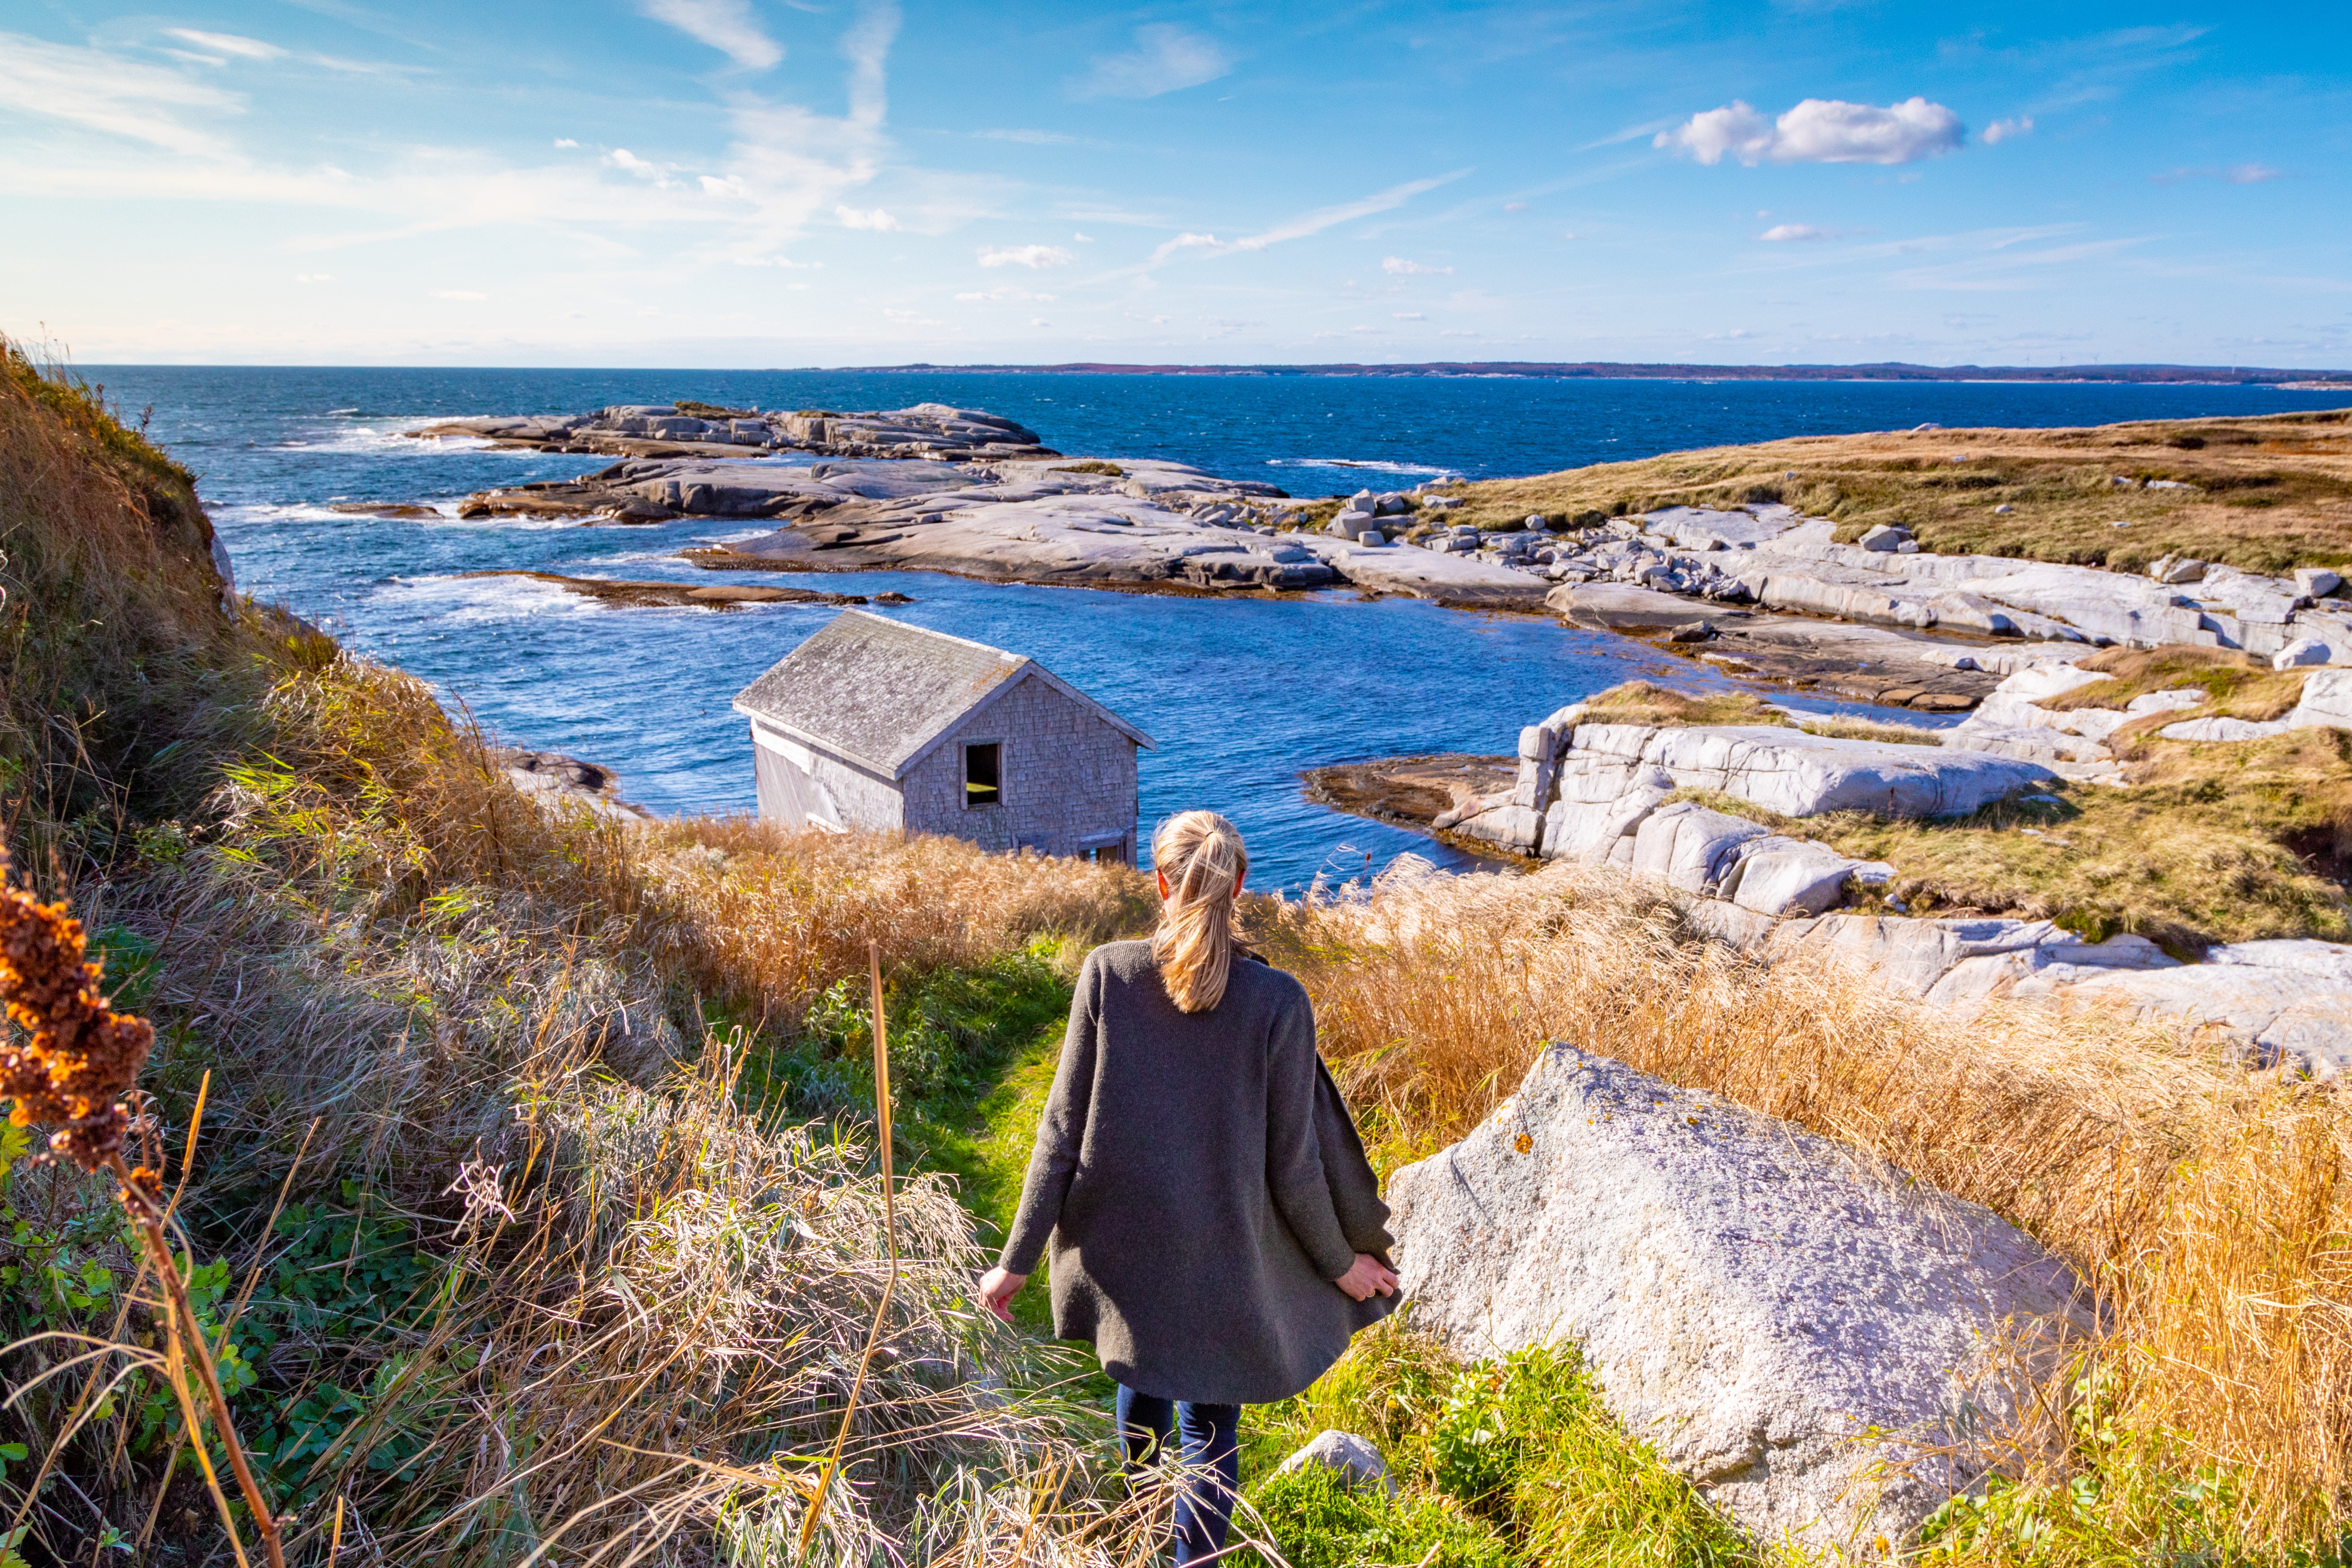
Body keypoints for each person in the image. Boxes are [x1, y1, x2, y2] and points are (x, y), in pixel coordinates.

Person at [977, 810, 1400, 1565]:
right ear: (1240, 886)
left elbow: (1059, 1134)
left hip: (1124, 1247)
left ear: (1161, 881)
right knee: (1210, 1428)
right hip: (1224, 1258)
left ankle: (1139, 1543)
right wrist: (1342, 1265)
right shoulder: (1277, 1002)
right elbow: (1294, 1168)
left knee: (1141, 1383)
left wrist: (1016, 1258)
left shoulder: (1106, 973)